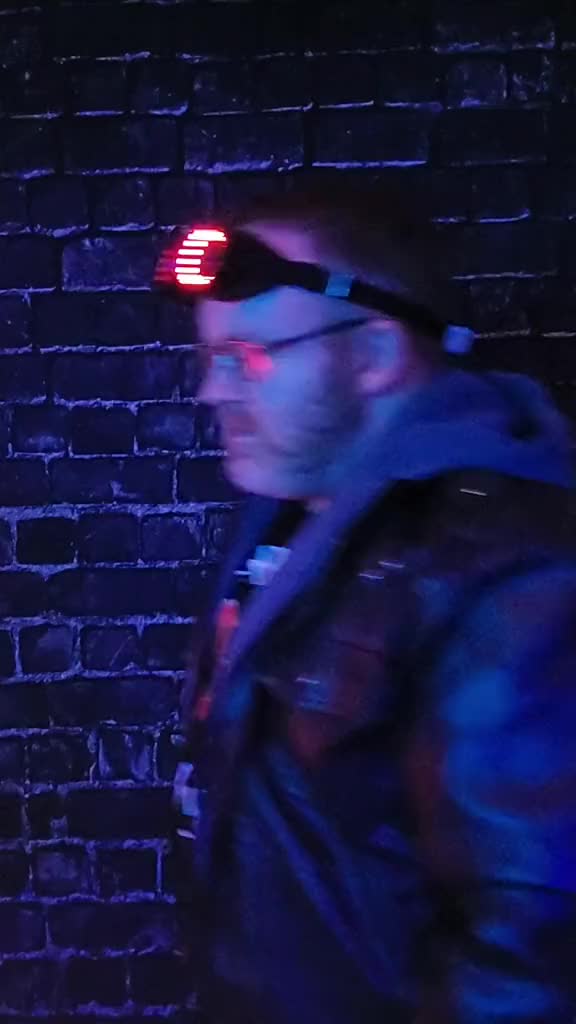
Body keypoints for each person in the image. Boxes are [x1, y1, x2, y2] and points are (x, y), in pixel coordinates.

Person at [155, 184, 576, 1024]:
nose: (213, 392)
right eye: (211, 358)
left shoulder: (506, 569)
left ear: (376, 354)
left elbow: (527, 949)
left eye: (251, 356)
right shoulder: (300, 521)